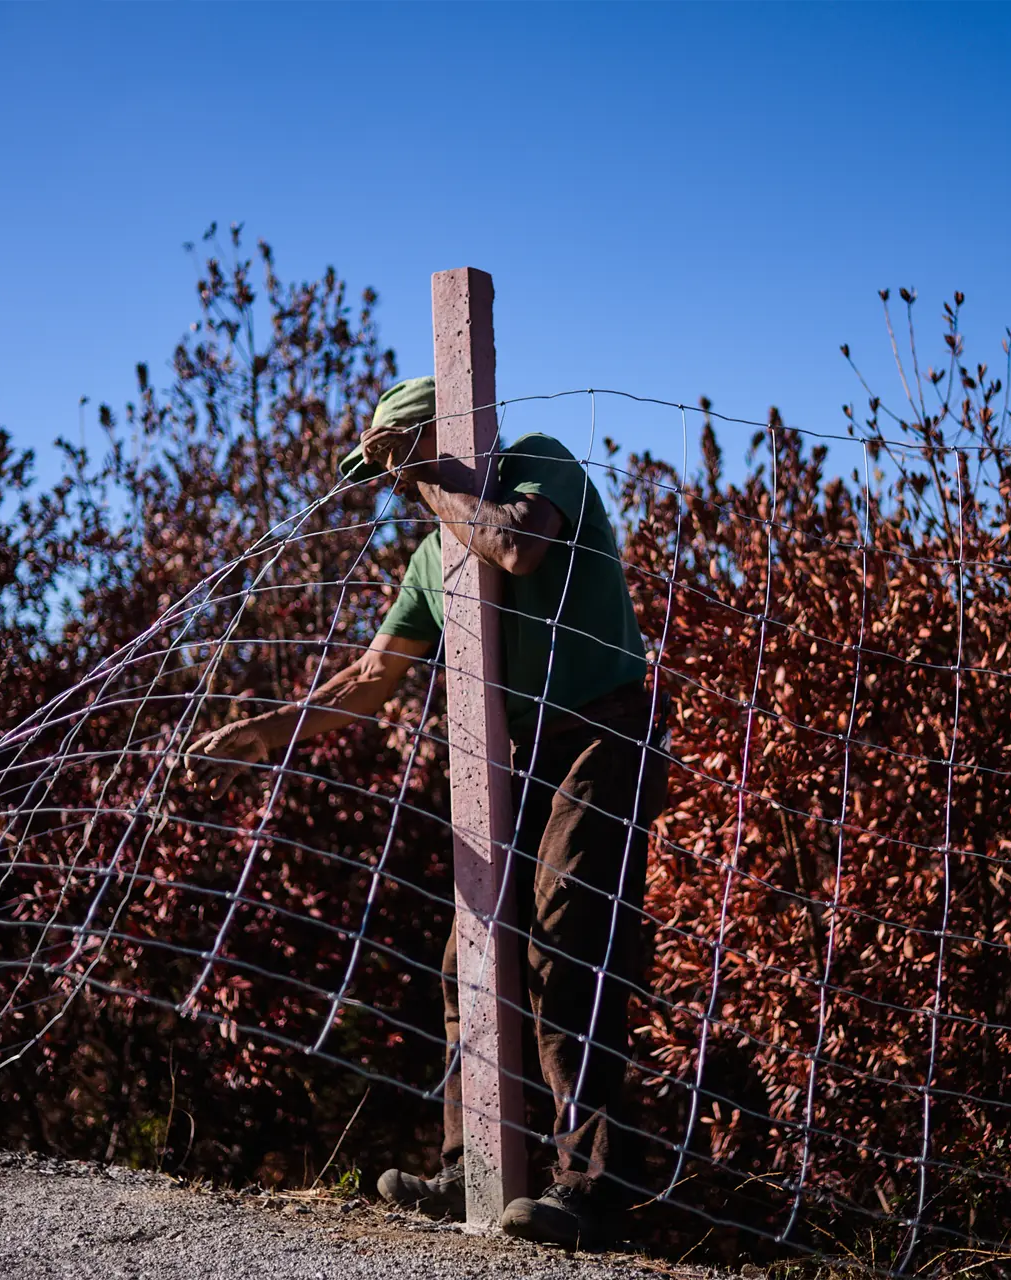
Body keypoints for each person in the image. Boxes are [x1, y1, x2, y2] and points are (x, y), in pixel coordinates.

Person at [188, 376, 669, 1249]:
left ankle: (588, 1187)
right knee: (471, 948)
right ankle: (472, 1168)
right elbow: (370, 681)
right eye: (386, 474)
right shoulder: (430, 561)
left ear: (444, 440)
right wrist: (262, 731)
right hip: (516, 754)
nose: (394, 488)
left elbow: (518, 547)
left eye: (396, 462)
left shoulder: (539, 465)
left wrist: (429, 475)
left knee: (567, 933)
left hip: (602, 730)